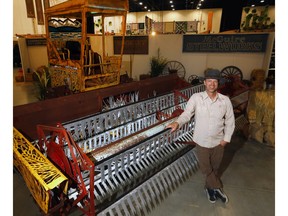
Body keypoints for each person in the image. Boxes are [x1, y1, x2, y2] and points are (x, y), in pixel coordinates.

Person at [166, 69, 235, 204]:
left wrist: (226, 139)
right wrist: (177, 122)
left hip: (218, 142)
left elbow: (230, 121)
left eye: (215, 81)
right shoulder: (196, 98)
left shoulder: (225, 100)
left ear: (218, 83)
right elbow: (187, 114)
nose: (212, 84)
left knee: (215, 169)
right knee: (206, 168)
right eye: (209, 81)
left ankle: (209, 189)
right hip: (201, 141)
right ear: (204, 82)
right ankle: (217, 188)